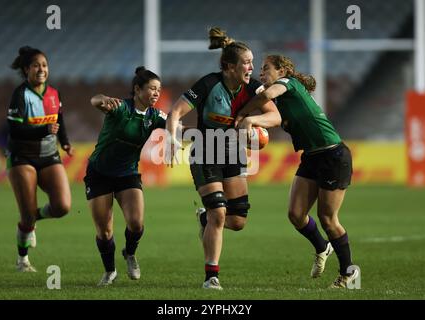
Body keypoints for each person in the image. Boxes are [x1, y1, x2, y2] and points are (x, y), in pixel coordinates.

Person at [166, 27, 280, 290]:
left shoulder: (254, 88)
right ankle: (211, 277)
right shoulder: (208, 84)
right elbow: (175, 112)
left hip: (233, 152)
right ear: (229, 67)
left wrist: (252, 119)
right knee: (219, 213)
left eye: (252, 62)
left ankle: (204, 220)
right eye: (247, 62)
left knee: (238, 221)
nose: (252, 67)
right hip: (206, 153)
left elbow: (274, 117)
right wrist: (172, 139)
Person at [235, 55, 359, 288]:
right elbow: (265, 100)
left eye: (266, 69)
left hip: (333, 154)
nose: (262, 73)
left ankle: (348, 272)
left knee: (328, 219)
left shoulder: (289, 84)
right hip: (312, 156)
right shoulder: (282, 100)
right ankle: (323, 247)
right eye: (260, 69)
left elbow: (265, 95)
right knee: (295, 214)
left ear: (282, 71)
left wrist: (245, 115)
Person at [84, 66, 167, 286]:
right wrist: (103, 99)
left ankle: (129, 254)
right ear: (137, 89)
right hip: (99, 173)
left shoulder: (155, 116)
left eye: (159, 89)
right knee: (104, 230)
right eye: (152, 89)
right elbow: (95, 100)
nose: (157, 93)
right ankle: (110, 271)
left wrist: (201, 132)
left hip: (127, 173)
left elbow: (177, 126)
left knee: (136, 223)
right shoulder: (120, 108)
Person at [7, 46, 73, 272]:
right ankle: (22, 259)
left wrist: (64, 141)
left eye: (44, 65)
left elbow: (59, 120)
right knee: (26, 215)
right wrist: (44, 130)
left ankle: (32, 218)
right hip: (22, 156)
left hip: (48, 155)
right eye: (36, 65)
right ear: (27, 69)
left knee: (63, 206)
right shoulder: (20, 94)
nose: (41, 69)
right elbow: (15, 130)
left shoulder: (54, 93)